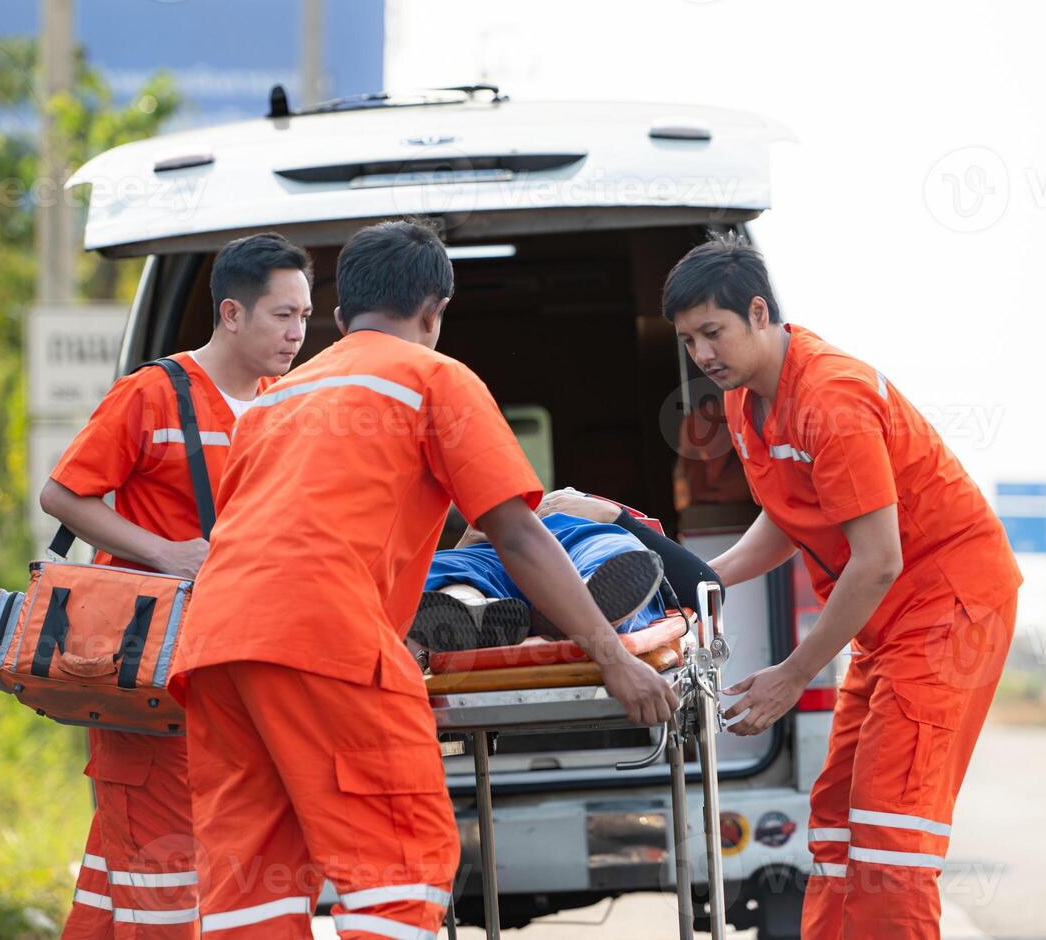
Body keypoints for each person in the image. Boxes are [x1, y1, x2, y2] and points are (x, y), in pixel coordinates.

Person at [167, 219, 679, 940]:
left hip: (217, 648)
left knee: (249, 885)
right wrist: (612, 655)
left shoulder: (275, 400)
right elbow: (519, 533)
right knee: (397, 867)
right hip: (328, 641)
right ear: (435, 312)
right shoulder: (433, 378)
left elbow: (270, 535)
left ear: (341, 317)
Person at [663, 233, 1021, 940]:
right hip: (887, 623)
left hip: (949, 609)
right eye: (689, 339)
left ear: (759, 313)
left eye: (714, 332)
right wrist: (699, 579)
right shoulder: (746, 401)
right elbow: (789, 513)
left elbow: (878, 559)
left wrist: (793, 675)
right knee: (835, 819)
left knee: (889, 830)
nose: (703, 354)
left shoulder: (832, 398)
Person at [39, 233, 313, 938]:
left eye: (305, 317)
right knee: (162, 883)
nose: (298, 333)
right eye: (283, 316)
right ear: (231, 314)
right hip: (148, 683)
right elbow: (64, 497)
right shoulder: (152, 393)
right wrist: (165, 553)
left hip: (233, 680)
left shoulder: (285, 406)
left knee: (124, 879)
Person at [410, 487, 723, 651]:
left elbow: (705, 586)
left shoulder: (590, 512)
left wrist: (610, 514)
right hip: (494, 549)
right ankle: (472, 610)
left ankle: (578, 602)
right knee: (445, 567)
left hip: (576, 540)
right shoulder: (486, 520)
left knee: (615, 553)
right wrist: (473, 539)